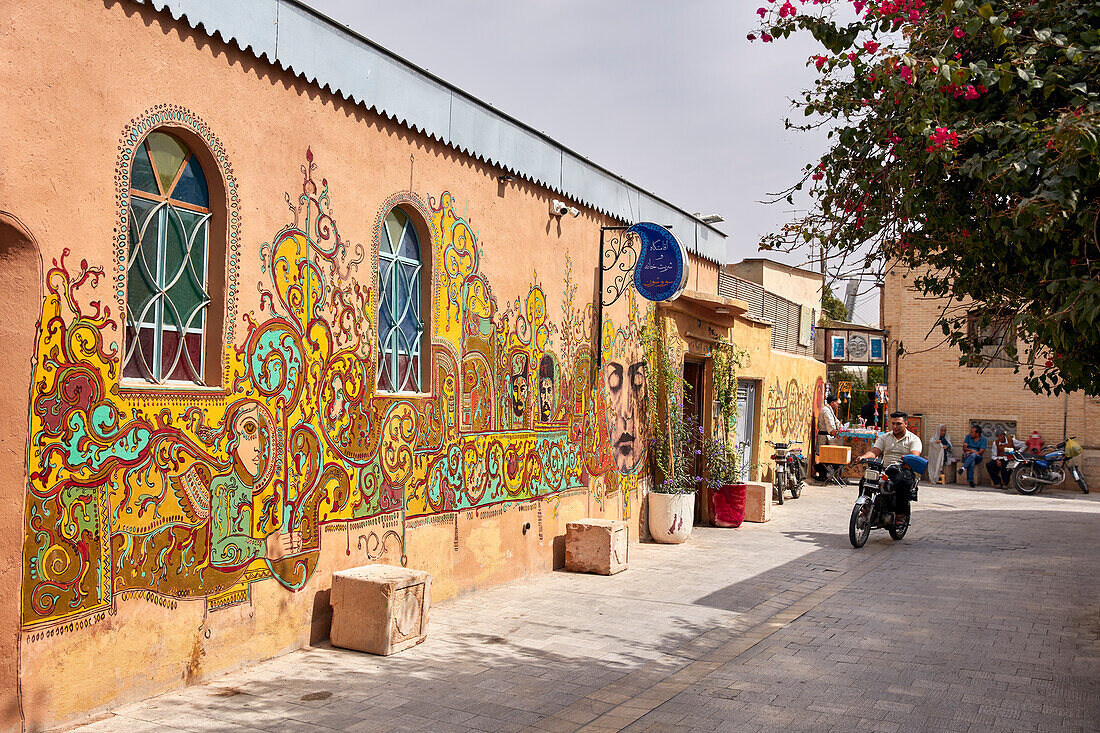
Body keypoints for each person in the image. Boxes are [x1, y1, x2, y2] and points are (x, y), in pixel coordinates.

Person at [859, 411, 923, 524]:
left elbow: (914, 455)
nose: (895, 426)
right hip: (886, 469)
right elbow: (875, 451)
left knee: (901, 483)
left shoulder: (914, 439)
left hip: (903, 470)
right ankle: (865, 508)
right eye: (893, 423)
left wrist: (907, 461)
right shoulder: (885, 437)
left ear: (906, 424)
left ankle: (900, 514)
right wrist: (863, 457)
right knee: (865, 480)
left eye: (898, 424)